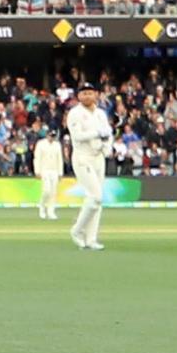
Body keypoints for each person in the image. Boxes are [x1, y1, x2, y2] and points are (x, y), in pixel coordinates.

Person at [65, 84, 111, 250]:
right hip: (83, 157)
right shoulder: (75, 114)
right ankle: (77, 230)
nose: (87, 96)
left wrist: (107, 147)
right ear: (79, 96)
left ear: (96, 95)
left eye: (90, 93)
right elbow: (77, 136)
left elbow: (108, 133)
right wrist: (97, 133)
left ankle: (91, 239)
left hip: (99, 158)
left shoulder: (100, 114)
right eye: (83, 93)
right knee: (95, 196)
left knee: (97, 202)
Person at [32, 127, 64, 220]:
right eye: (50, 136)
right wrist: (37, 171)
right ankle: (42, 207)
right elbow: (37, 158)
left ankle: (51, 211)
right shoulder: (41, 144)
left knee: (53, 192)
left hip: (54, 170)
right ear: (47, 135)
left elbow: (60, 159)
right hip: (44, 170)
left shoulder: (57, 145)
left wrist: (60, 172)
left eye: (53, 136)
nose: (52, 138)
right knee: (47, 191)